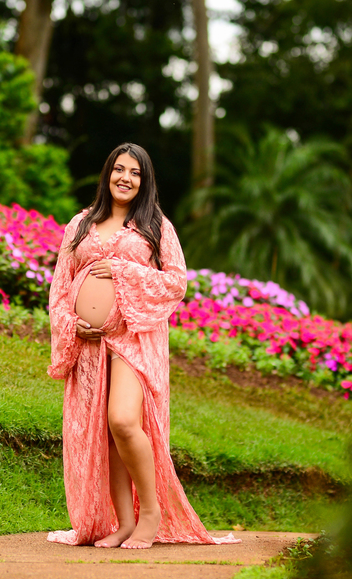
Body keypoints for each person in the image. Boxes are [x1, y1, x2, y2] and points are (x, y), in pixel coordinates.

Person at [46, 143, 239, 548]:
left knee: (122, 420)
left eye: (135, 172)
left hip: (134, 336)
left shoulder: (155, 226)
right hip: (91, 343)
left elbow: (176, 281)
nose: (125, 178)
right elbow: (60, 288)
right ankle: (123, 522)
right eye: (119, 169)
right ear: (107, 174)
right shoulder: (80, 225)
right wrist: (71, 324)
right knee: (106, 432)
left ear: (144, 181)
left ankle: (150, 513)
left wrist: (124, 270)